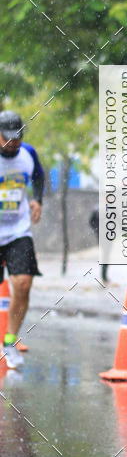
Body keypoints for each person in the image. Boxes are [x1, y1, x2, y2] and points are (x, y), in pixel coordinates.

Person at [0, 111, 44, 369]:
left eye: (17, 138)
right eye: (7, 138)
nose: (12, 143)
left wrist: (37, 199)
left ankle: (9, 340)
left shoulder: (28, 153)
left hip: (18, 231)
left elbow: (38, 176)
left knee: (23, 284)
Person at [89, 208, 109, 283]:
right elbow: (91, 221)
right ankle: (104, 275)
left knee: (106, 255)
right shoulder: (97, 210)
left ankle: (104, 275)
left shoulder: (112, 209)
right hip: (101, 236)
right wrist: (97, 230)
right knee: (105, 254)